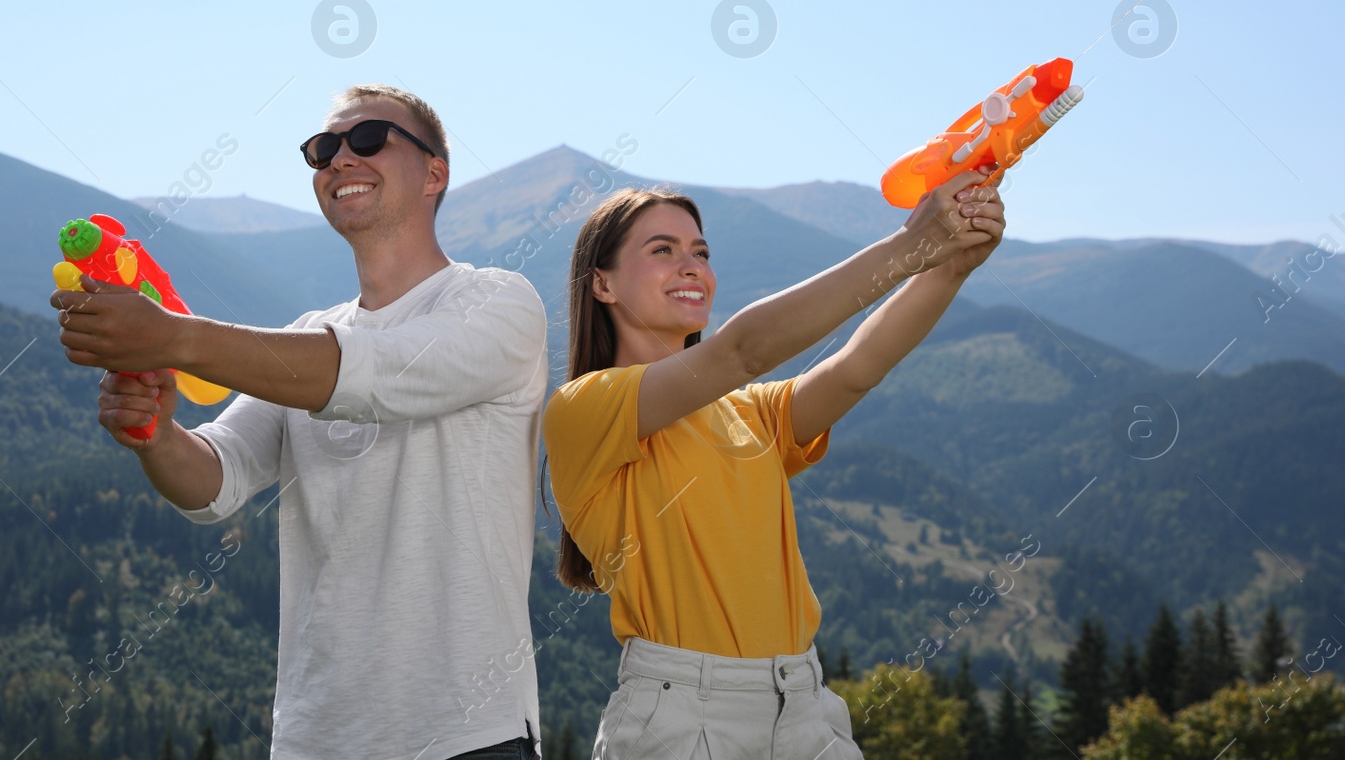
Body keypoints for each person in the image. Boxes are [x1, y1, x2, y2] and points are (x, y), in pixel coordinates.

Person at [50, 84, 550, 760]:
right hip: (316, 740)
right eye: (322, 149)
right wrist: (155, 433)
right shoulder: (308, 335)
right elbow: (215, 480)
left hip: (467, 735)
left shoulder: (499, 303)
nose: (340, 158)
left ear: (436, 172)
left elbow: (376, 372)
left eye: (369, 138)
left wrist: (173, 337)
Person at [541, 169, 1005, 758]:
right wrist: (908, 246)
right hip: (685, 715)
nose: (692, 267)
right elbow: (743, 350)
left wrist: (951, 266)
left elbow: (855, 369)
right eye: (663, 250)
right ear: (602, 284)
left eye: (701, 252)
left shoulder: (746, 412)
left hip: (804, 702)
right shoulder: (586, 407)